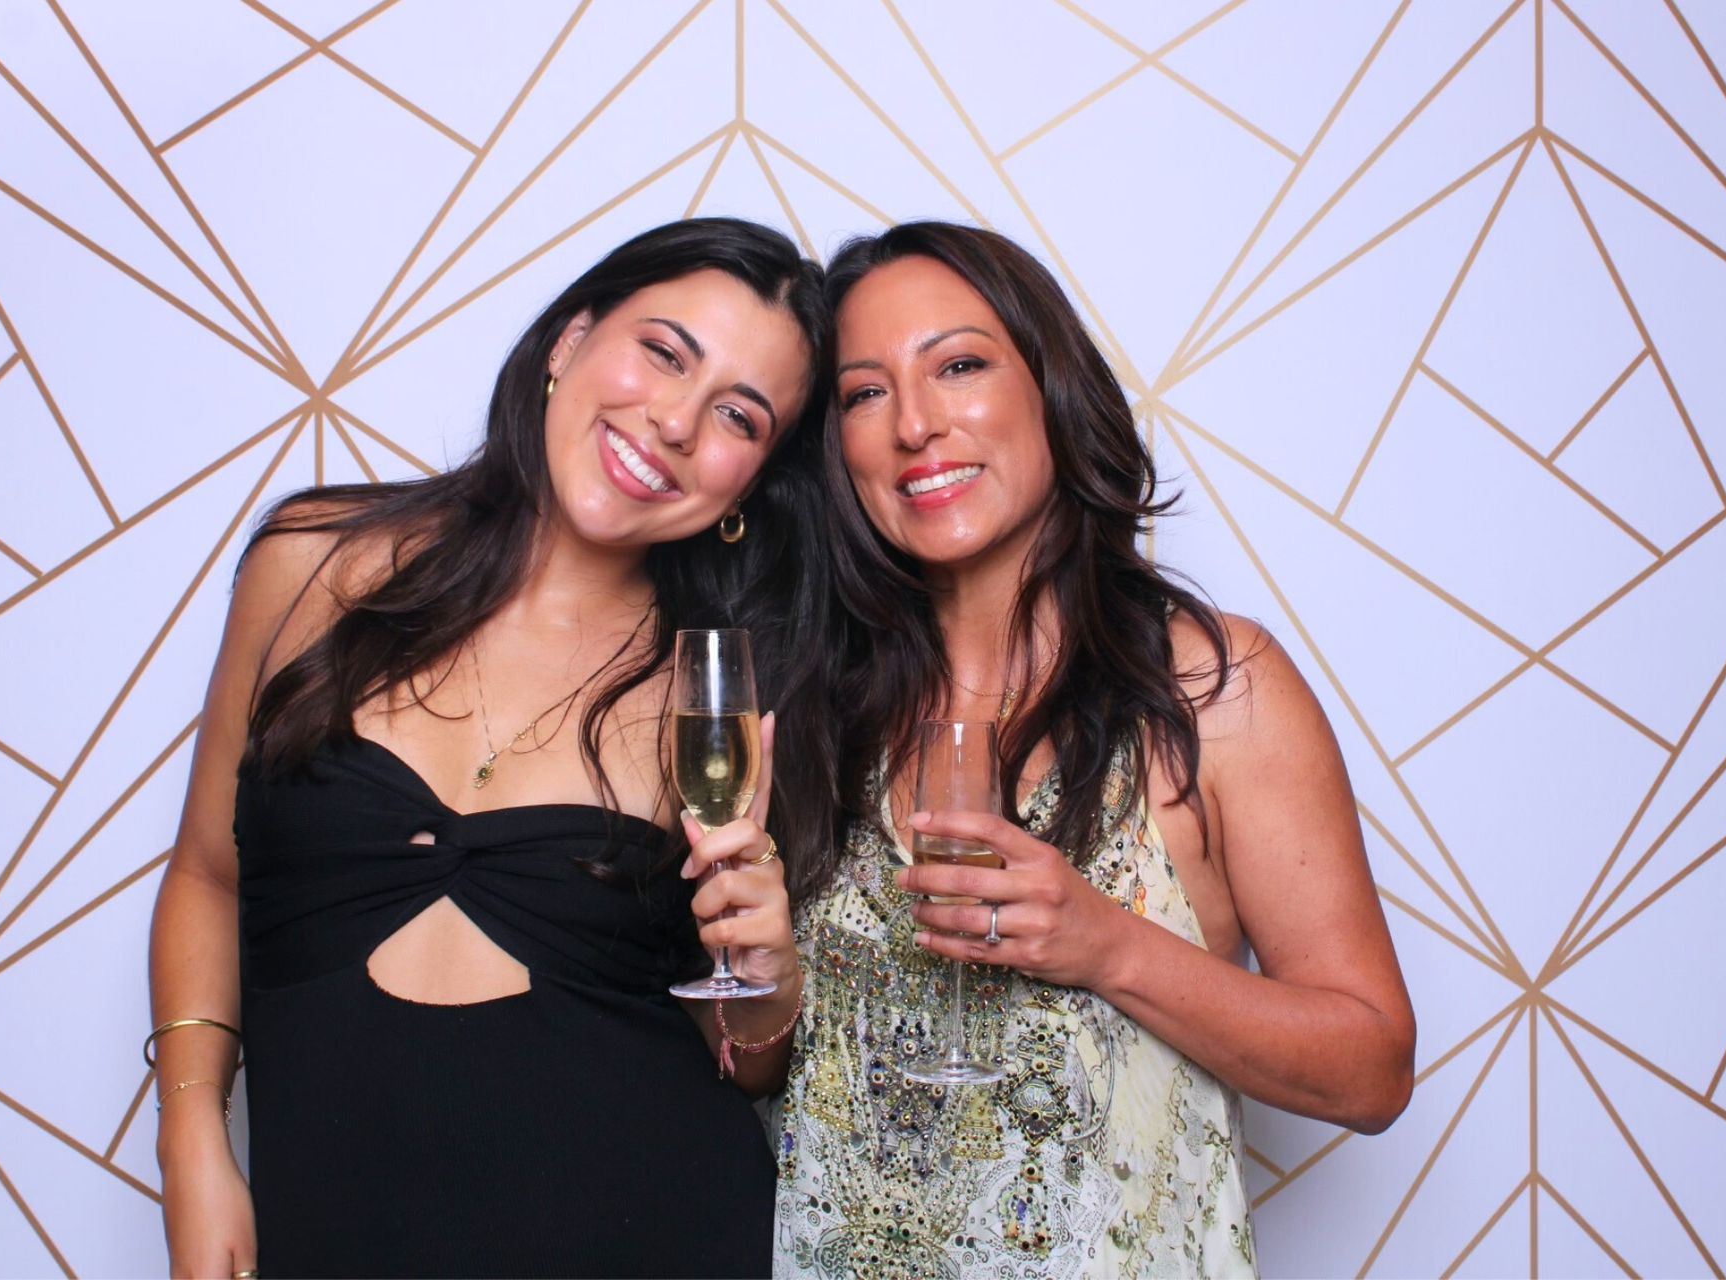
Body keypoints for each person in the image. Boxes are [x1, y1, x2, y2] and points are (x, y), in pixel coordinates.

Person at [146, 218, 831, 1279]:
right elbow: (205, 872)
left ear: (749, 484)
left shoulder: (718, 696)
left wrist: (769, 976)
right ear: (569, 338)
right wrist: (190, 1134)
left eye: (738, 415)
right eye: (663, 350)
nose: (676, 421)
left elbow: (743, 1062)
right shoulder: (315, 564)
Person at [771, 222, 1416, 1279]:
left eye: (960, 365)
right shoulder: (817, 709)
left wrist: (1108, 944)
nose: (917, 425)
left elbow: (1372, 1066)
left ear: (1052, 388)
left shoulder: (1212, 686)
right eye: (865, 393)